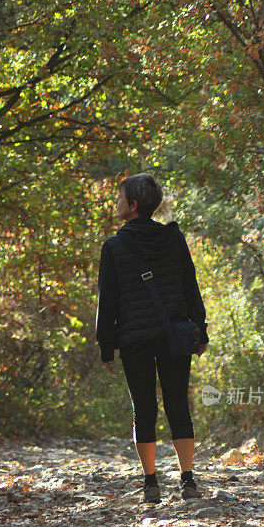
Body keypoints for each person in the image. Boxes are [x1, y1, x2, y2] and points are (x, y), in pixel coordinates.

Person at [95, 173, 209, 503]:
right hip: (175, 334)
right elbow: (191, 286)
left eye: (119, 199)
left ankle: (151, 484)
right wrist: (200, 328)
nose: (116, 204)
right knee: (178, 407)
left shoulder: (114, 247)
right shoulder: (174, 239)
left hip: (135, 340)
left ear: (133, 205)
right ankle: (188, 480)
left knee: (143, 409)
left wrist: (106, 346)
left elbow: (108, 300)